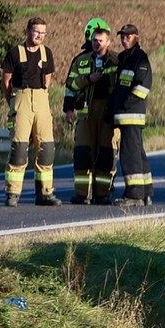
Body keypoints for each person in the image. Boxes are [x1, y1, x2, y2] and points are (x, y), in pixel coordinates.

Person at [1, 17, 61, 207]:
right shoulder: (15, 53)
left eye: (43, 33)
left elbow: (49, 78)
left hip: (42, 101)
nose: (39, 36)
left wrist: (40, 96)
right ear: (27, 31)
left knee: (47, 149)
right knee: (19, 149)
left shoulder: (47, 53)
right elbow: (6, 82)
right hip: (21, 101)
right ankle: (12, 193)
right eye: (36, 31)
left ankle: (44, 193)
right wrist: (14, 102)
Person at [63, 22, 119, 205]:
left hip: (107, 115)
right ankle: (81, 194)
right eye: (94, 40)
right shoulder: (81, 61)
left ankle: (102, 194)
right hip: (86, 114)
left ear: (108, 41)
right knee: (82, 154)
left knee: (105, 154)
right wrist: (87, 80)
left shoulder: (117, 61)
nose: (97, 44)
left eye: (100, 41)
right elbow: (70, 85)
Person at [111, 24, 153, 207]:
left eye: (128, 36)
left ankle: (134, 195)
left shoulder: (140, 58)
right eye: (122, 36)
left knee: (129, 154)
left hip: (132, 114)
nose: (124, 39)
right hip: (124, 114)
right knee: (137, 152)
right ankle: (146, 192)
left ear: (136, 37)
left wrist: (124, 104)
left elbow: (143, 87)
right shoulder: (124, 58)